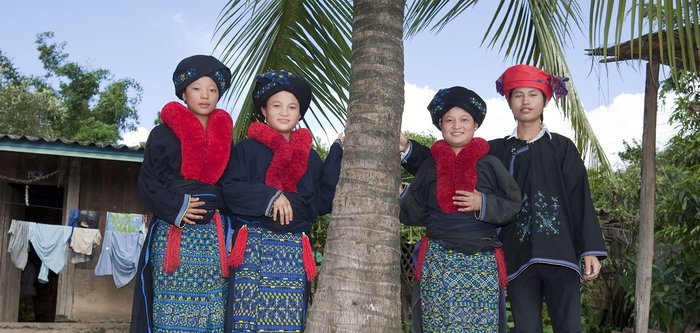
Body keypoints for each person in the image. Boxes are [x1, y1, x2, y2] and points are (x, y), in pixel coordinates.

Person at [401, 65, 608, 333]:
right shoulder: (495, 150)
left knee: (569, 327)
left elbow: (580, 197)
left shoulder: (562, 147)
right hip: (516, 256)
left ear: (545, 100)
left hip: (561, 253)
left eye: (533, 94)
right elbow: (445, 166)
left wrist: (589, 249)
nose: (525, 102)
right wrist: (408, 150)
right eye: (518, 95)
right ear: (509, 101)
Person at [222, 69, 343, 333]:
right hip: (253, 245)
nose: (285, 112)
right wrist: (271, 196)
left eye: (292, 107)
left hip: (293, 251)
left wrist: (336, 152)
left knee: (287, 323)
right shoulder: (246, 148)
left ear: (300, 114)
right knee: (246, 320)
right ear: (264, 110)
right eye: (277, 105)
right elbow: (230, 190)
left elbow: (321, 201)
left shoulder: (310, 157)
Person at [399, 86, 521, 332]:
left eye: (464, 119)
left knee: (481, 325)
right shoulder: (429, 168)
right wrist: (403, 195)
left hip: (481, 261)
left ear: (475, 124)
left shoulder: (490, 164)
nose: (457, 125)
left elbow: (513, 204)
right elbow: (415, 213)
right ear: (440, 125)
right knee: (438, 323)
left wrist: (482, 203)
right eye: (449, 120)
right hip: (438, 260)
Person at [130, 54, 234, 333]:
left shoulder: (226, 138)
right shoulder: (162, 135)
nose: (205, 95)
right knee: (170, 310)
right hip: (173, 234)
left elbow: (230, 185)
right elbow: (148, 183)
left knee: (214, 306)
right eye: (197, 88)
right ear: (184, 93)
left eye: (213, 90)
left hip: (214, 239)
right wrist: (179, 206)